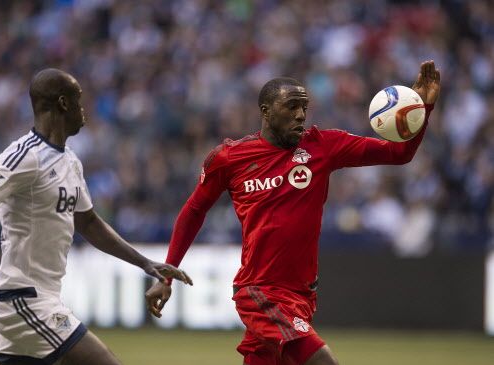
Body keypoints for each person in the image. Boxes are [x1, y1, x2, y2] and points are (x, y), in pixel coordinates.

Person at [0, 68, 193, 365]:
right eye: (78, 99)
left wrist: (145, 263)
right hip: (22, 299)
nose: (84, 108)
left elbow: (88, 223)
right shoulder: (23, 156)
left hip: (41, 297)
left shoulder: (70, 161)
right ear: (62, 103)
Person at [146, 61, 441, 365]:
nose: (301, 114)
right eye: (291, 106)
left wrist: (423, 108)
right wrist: (166, 275)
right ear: (266, 111)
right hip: (260, 291)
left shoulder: (325, 145)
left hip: (302, 295)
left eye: (304, 107)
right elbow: (193, 210)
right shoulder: (229, 158)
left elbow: (399, 153)